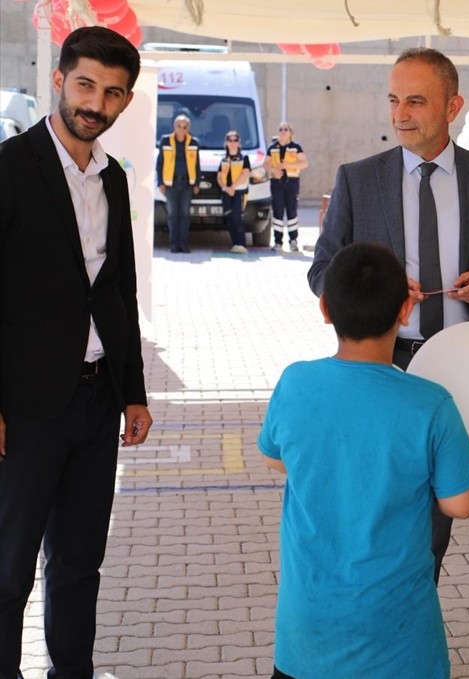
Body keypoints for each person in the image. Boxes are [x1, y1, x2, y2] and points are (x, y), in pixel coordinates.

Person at [308, 48, 469, 583]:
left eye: (415, 101)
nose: (400, 113)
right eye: (393, 100)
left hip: (461, 373)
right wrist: (375, 291)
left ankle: (409, 618)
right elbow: (322, 271)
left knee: (435, 518)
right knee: (374, 505)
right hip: (382, 366)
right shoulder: (359, 180)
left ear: (452, 105)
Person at [0, 26, 152, 679]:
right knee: (7, 570)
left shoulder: (113, 178)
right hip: (24, 408)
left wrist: (134, 389)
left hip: (97, 403)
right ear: (59, 80)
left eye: (113, 92)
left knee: (79, 565)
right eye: (86, 84)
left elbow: (119, 289)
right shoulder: (8, 169)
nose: (96, 102)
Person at [261, 242, 469, 679]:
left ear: (325, 308)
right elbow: (461, 504)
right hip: (399, 643)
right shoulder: (430, 402)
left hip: (308, 638)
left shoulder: (295, 382)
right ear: (405, 309)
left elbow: (277, 460)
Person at [156, 113, 199, 253]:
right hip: (170, 184)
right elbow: (160, 163)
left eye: (184, 127)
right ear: (174, 126)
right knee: (173, 215)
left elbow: (197, 164)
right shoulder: (165, 141)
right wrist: (161, 183)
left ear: (188, 128)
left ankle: (183, 244)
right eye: (179, 126)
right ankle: (174, 245)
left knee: (185, 215)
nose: (181, 129)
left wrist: (196, 183)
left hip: (186, 184)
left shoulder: (194, 142)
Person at [266, 121, 308, 252]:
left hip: (291, 182)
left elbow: (304, 163)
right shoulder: (273, 147)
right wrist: (273, 171)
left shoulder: (296, 147)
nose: (282, 131)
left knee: (292, 211)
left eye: (285, 129)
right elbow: (265, 164)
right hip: (276, 183)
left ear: (290, 133)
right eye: (280, 129)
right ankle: (278, 241)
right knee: (277, 211)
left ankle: (293, 241)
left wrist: (288, 166)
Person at [217, 129, 251, 254]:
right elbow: (219, 177)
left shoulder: (244, 158)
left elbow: (245, 174)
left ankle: (241, 244)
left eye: (235, 140)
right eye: (230, 140)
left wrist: (233, 187)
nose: (232, 142)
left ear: (239, 143)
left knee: (238, 218)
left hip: (239, 193)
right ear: (226, 143)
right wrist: (226, 188)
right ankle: (234, 244)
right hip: (227, 193)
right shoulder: (224, 160)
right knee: (230, 218)